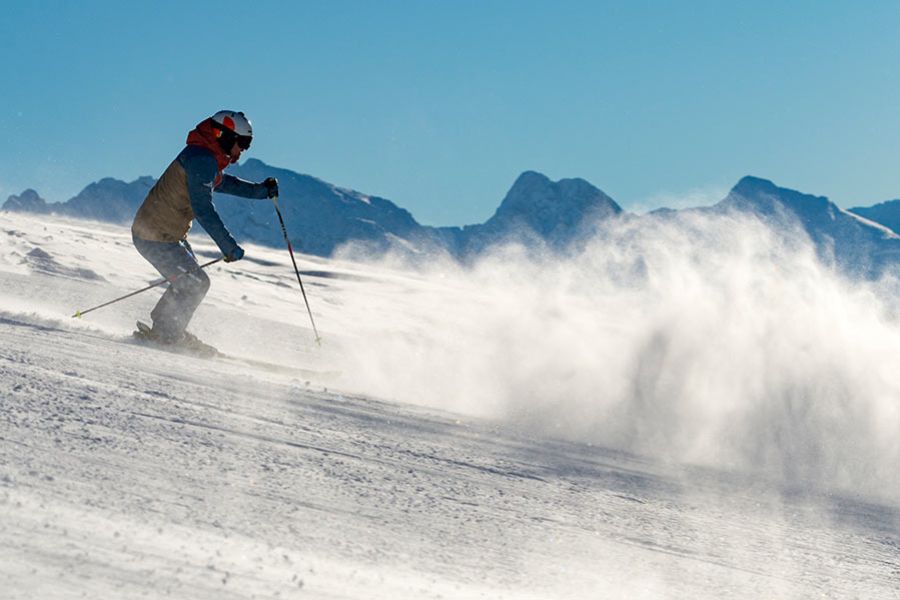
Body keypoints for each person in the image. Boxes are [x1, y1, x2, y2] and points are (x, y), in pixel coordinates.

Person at [131, 110, 278, 353]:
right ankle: (166, 335)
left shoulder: (207, 157)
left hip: (165, 234)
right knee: (195, 283)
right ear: (226, 136)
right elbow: (204, 210)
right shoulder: (202, 161)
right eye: (242, 143)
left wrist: (261, 191)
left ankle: (166, 329)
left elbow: (225, 183)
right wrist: (228, 246)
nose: (242, 151)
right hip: (155, 235)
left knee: (190, 280)